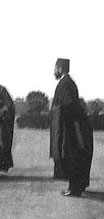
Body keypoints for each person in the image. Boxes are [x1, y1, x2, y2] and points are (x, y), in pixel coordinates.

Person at [50, 58, 93, 197]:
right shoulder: (68, 82)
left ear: (60, 69)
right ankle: (75, 187)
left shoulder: (65, 83)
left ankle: (74, 189)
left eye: (55, 68)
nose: (54, 71)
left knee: (72, 157)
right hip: (72, 125)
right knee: (74, 157)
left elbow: (68, 105)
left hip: (71, 127)